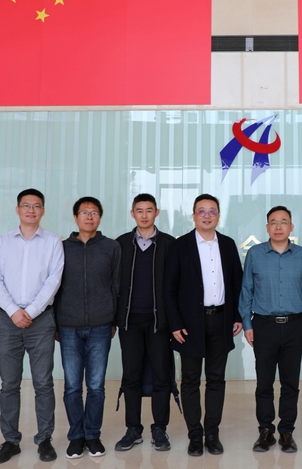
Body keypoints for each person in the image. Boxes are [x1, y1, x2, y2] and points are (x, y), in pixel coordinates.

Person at [0, 189, 64, 464]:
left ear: (43, 210)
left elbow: (54, 280)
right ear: (17, 209)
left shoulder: (53, 242)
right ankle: (10, 441)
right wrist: (13, 311)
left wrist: (30, 312)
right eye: (26, 205)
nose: (31, 210)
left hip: (41, 320)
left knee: (43, 383)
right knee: (9, 384)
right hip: (8, 320)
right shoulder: (2, 241)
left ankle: (44, 439)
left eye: (36, 206)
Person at [163, 194, 243, 456]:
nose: (207, 216)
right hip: (189, 324)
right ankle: (195, 435)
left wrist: (237, 316)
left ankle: (212, 433)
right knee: (190, 379)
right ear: (193, 215)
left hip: (221, 320)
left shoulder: (228, 245)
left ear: (219, 216)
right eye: (202, 211)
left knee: (216, 379)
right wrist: (175, 323)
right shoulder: (180, 245)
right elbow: (169, 289)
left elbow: (237, 284)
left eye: (212, 211)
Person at [239, 206, 302, 454]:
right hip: (263, 326)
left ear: (291, 226)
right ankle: (265, 431)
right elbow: (246, 291)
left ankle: (286, 432)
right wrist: (248, 324)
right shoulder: (255, 254)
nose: (278, 226)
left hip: (295, 326)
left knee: (290, 383)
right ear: (267, 227)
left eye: (284, 222)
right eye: (273, 222)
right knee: (264, 383)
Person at [55, 197, 121, 459]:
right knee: (72, 386)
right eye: (84, 212)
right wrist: (55, 323)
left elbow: (117, 286)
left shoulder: (111, 247)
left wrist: (113, 320)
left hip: (100, 326)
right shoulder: (61, 247)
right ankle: (76, 436)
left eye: (94, 212)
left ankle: (92, 435)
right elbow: (53, 287)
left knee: (96, 386)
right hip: (68, 326)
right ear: (75, 218)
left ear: (100, 217)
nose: (89, 217)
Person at [114, 193, 176, 452]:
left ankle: (159, 428)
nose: (144, 215)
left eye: (149, 210)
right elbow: (112, 284)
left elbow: (177, 286)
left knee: (162, 376)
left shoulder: (169, 244)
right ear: (132, 213)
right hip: (129, 322)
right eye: (139, 210)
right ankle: (133, 428)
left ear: (156, 213)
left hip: (159, 322)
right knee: (131, 376)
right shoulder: (120, 244)